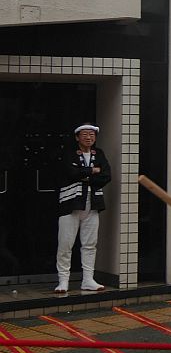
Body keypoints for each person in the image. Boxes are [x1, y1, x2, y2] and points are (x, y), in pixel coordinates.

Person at [56, 123, 113, 293]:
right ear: (77, 137)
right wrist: (92, 171)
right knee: (65, 244)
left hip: (92, 204)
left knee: (90, 244)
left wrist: (84, 174)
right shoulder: (68, 153)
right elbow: (70, 172)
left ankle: (88, 280)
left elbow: (106, 175)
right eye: (85, 134)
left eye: (92, 135)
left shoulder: (99, 153)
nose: (89, 138)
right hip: (70, 204)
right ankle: (63, 281)